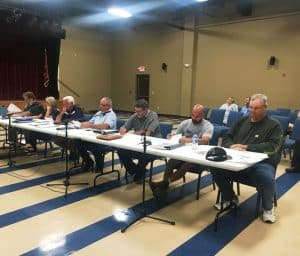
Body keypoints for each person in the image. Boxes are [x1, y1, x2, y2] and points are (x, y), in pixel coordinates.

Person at [212, 94, 283, 223]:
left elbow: (273, 147)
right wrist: (232, 145)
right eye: (250, 107)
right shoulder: (242, 120)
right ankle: (230, 198)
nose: (252, 111)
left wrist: (246, 147)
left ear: (265, 107)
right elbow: (227, 137)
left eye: (256, 108)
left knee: (266, 177)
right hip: (236, 159)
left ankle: (268, 208)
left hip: (261, 163)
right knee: (215, 166)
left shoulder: (274, 125)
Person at [149, 104, 214, 197]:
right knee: (171, 162)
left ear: (203, 115)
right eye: (193, 115)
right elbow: (177, 135)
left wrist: (188, 140)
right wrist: (171, 137)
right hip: (183, 152)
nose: (194, 118)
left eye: (197, 116)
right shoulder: (185, 123)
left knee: (186, 165)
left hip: (198, 155)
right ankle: (164, 185)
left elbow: (205, 140)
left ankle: (163, 184)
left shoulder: (208, 125)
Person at [118, 99, 161, 182]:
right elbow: (125, 127)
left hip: (153, 146)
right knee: (121, 151)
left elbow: (147, 133)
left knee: (143, 154)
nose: (137, 114)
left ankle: (139, 171)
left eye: (139, 112)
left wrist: (132, 133)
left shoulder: (153, 116)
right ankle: (137, 170)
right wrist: (123, 129)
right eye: (136, 111)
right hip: (137, 144)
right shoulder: (135, 116)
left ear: (146, 110)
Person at [75, 97, 117, 172]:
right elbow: (90, 122)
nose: (100, 106)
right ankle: (89, 162)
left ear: (108, 106)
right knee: (78, 142)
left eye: (102, 105)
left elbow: (105, 126)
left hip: (105, 140)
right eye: (100, 104)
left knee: (95, 146)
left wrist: (91, 126)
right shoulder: (98, 113)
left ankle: (99, 165)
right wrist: (80, 124)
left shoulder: (111, 115)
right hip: (94, 136)